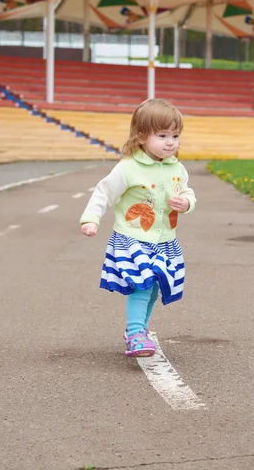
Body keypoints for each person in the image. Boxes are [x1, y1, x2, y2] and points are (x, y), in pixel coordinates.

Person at [80, 98, 196, 357]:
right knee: (142, 284)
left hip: (165, 240)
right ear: (142, 136)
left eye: (175, 135)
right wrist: (91, 218)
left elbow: (188, 191)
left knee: (155, 286)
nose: (170, 142)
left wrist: (186, 202)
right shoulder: (128, 168)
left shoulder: (177, 168)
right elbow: (103, 193)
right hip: (133, 238)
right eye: (162, 135)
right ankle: (135, 333)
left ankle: (138, 330)